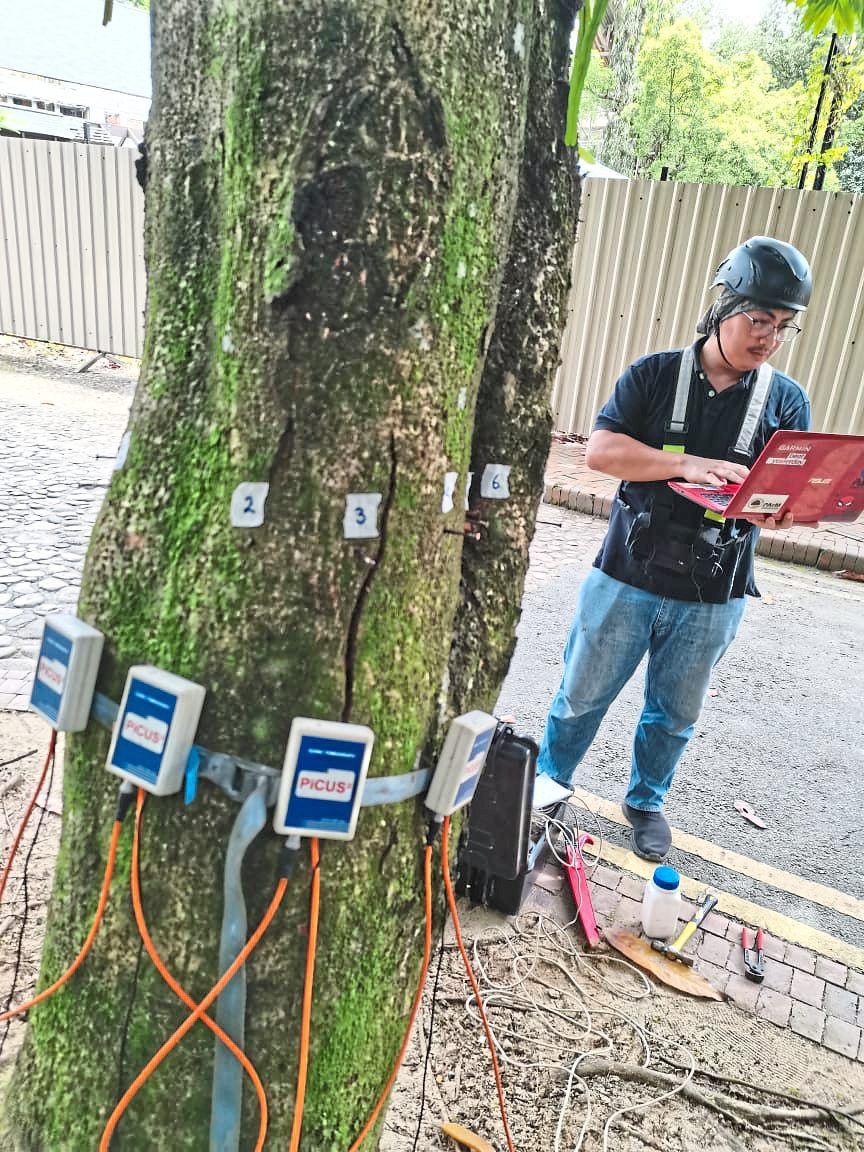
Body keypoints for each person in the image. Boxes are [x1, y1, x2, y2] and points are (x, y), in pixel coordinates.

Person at [537, 236, 813, 861]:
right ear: (724, 307)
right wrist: (688, 464)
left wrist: (792, 510)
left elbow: (790, 491)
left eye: (783, 326)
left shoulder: (785, 399)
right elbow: (602, 453)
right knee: (581, 692)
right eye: (759, 319)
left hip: (715, 589)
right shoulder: (655, 374)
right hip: (626, 573)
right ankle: (551, 786)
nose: (768, 336)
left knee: (674, 713)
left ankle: (646, 802)